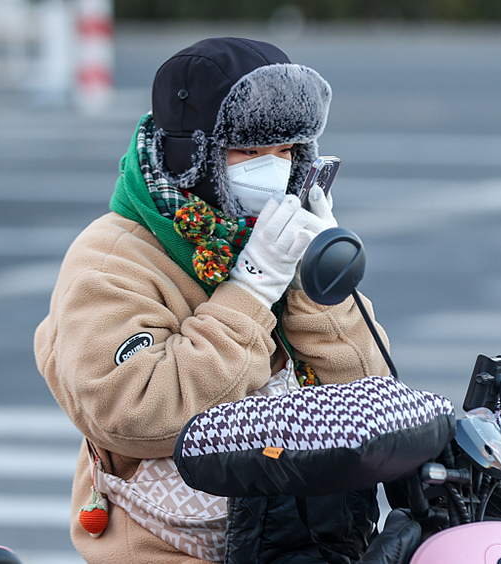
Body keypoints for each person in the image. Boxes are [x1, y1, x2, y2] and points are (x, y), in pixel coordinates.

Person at [34, 37, 391, 564]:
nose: (271, 169)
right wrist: (248, 290)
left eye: (286, 151)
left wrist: (315, 282)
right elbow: (133, 410)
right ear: (190, 155)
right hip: (165, 548)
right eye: (248, 151)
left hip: (298, 543)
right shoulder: (113, 260)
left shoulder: (275, 240)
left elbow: (370, 397)